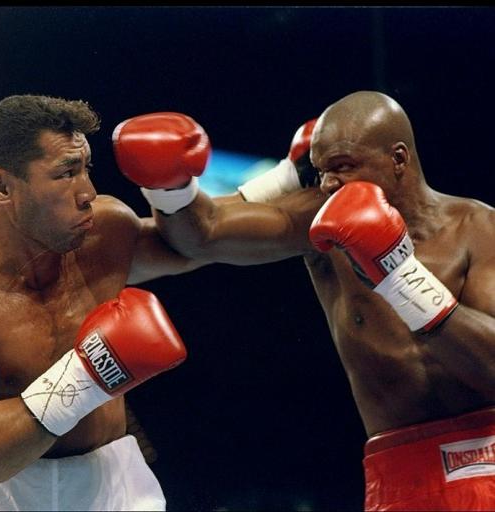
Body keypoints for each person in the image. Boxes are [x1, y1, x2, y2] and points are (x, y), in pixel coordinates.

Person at [114, 92, 495, 510]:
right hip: (400, 472)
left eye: (344, 167)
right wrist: (172, 188)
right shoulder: (321, 221)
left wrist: (401, 278)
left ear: (398, 159)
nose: (329, 183)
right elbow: (203, 235)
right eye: (322, 170)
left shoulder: (479, 228)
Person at [0, 94, 212, 511]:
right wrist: (85, 376)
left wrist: (182, 191)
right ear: (1, 187)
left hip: (112, 484)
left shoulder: (105, 231)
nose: (88, 192)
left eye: (85, 168)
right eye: (66, 173)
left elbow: (203, 242)